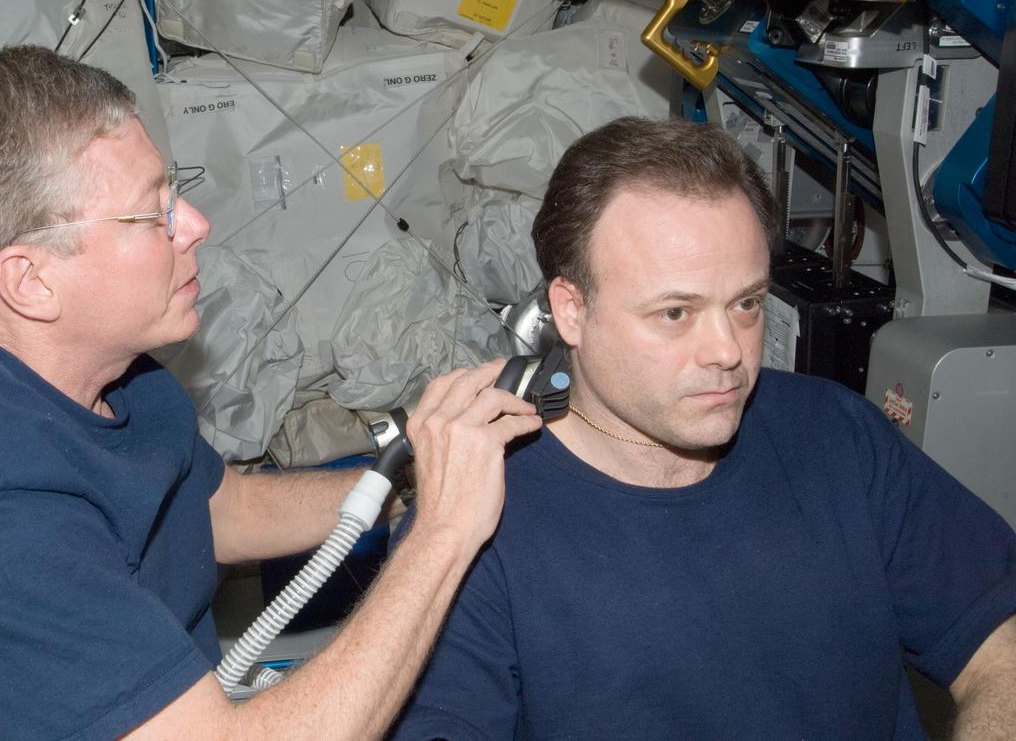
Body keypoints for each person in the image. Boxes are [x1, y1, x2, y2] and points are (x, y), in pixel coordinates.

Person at [0, 45, 542, 741]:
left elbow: (219, 510)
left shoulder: (100, 372)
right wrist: (444, 532)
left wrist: (412, 483)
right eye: (150, 213)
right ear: (31, 281)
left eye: (176, 195)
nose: (195, 225)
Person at [392, 117, 1016, 740]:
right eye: (674, 312)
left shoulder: (837, 435)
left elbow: (1000, 645)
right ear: (572, 310)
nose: (728, 351)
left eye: (746, 303)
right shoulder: (476, 520)